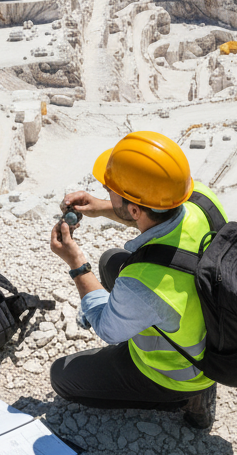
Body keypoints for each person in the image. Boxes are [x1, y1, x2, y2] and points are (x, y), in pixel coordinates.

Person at [48, 131, 225, 429]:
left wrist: (76, 263)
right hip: (211, 325)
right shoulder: (200, 199)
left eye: (111, 188)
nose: (106, 187)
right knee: (111, 262)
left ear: (133, 209)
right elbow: (157, 216)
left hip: (180, 372)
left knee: (62, 377)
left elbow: (106, 327)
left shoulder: (144, 281)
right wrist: (102, 206)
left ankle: (187, 400)